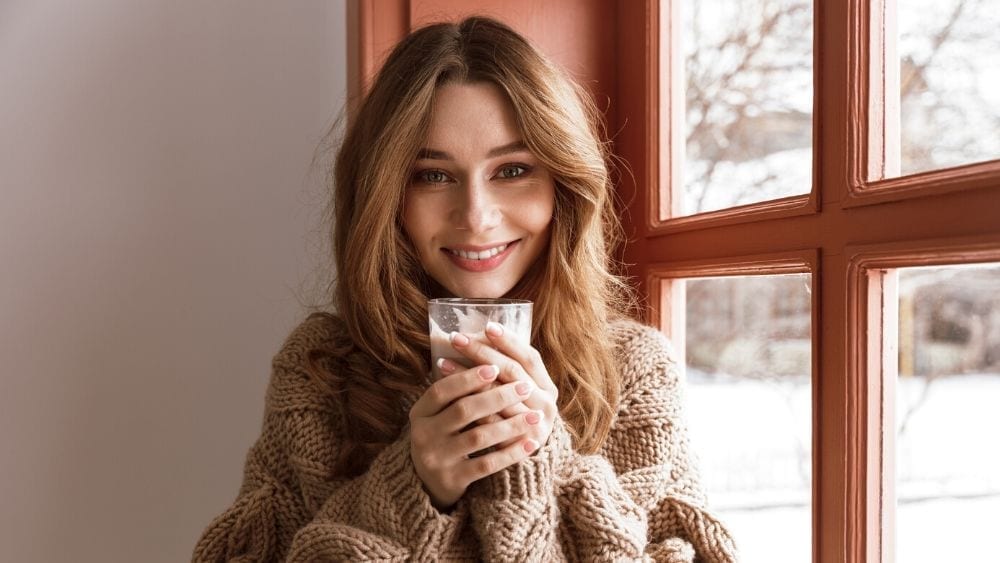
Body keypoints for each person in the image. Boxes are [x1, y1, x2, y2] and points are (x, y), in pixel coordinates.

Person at [193, 16, 737, 562]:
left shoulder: (634, 372)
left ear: (563, 186)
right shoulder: (321, 370)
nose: (476, 217)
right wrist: (411, 488)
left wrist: (543, 459)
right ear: (386, 196)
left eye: (513, 170)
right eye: (432, 175)